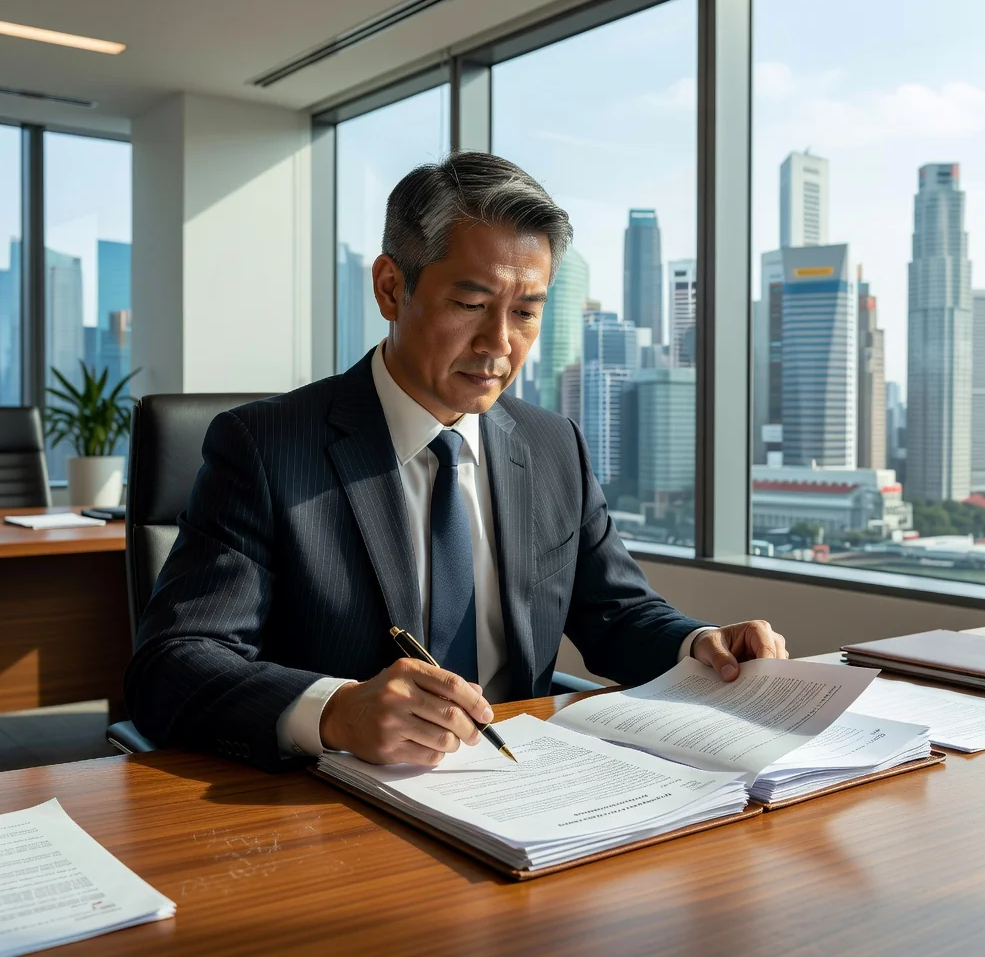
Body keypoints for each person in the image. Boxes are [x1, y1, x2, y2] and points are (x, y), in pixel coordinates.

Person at [125, 152, 788, 772]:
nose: (499, 343)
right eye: (470, 305)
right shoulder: (265, 447)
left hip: (524, 783)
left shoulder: (553, 445)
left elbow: (617, 612)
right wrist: (337, 711)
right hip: (336, 801)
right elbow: (172, 663)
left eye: (524, 312)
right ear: (391, 288)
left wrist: (700, 645)